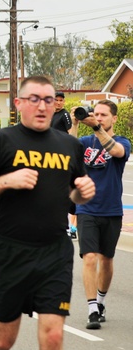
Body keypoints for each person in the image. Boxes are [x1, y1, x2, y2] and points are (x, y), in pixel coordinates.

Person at [0, 76, 95, 350]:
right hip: (10, 252)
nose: (41, 106)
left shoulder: (69, 146)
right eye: (34, 99)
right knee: (3, 340)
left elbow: (73, 198)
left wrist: (82, 193)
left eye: (48, 100)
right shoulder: (2, 141)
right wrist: (7, 181)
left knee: (53, 336)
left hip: (54, 252)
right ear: (19, 103)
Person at [71, 100, 129, 330]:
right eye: (96, 114)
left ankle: (102, 301)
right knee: (90, 258)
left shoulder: (123, 141)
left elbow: (116, 151)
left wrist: (97, 127)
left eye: (104, 115)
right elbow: (68, 147)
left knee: (106, 259)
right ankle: (92, 308)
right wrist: (75, 123)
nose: (99, 117)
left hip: (112, 209)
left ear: (114, 118)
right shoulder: (85, 142)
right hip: (87, 209)